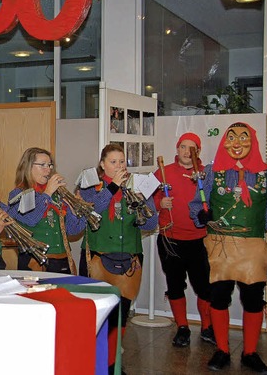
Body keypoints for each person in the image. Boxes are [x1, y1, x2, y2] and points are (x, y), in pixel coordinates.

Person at [189, 122, 267, 373]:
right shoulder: (212, 172)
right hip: (219, 248)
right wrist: (200, 214)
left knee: (253, 300)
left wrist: (251, 229)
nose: (237, 143)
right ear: (224, 142)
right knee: (219, 299)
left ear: (252, 141)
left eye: (244, 138)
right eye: (231, 138)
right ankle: (222, 350)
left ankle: (250, 353)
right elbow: (195, 204)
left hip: (252, 247)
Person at [80, 143, 158, 375]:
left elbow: (152, 223)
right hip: (97, 256)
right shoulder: (89, 186)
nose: (119, 166)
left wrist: (143, 203)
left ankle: (113, 363)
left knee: (120, 314)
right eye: (113, 162)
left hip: (129, 258)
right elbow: (93, 210)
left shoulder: (136, 186)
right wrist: (113, 186)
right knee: (98, 313)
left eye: (122, 161)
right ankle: (95, 361)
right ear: (102, 164)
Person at [153, 133, 215, 347]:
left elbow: (215, 201)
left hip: (199, 240)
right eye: (183, 147)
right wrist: (160, 204)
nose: (187, 152)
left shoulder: (207, 174)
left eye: (192, 148)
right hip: (170, 240)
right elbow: (147, 201)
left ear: (198, 150)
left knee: (204, 287)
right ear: (177, 148)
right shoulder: (163, 172)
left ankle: (207, 327)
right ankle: (182, 327)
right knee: (175, 286)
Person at [7, 147, 84, 273]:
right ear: (28, 167)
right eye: (42, 165)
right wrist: (48, 193)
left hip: (62, 260)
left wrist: (77, 212)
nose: (48, 169)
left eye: (50, 165)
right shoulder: (18, 194)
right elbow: (31, 219)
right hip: (34, 262)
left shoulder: (57, 194)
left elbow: (73, 230)